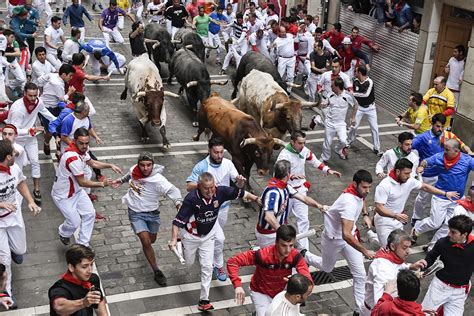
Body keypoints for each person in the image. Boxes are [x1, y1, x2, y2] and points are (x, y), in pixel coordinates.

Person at [169, 172, 260, 311]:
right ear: (199, 186)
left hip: (208, 236)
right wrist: (174, 239)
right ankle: (182, 244)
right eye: (206, 188)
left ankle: (204, 300)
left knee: (207, 267)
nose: (210, 191)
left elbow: (241, 193)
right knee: (189, 264)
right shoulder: (191, 199)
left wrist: (255, 198)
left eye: (212, 187)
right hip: (191, 237)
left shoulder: (220, 192)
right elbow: (177, 221)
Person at [304, 170, 375, 315]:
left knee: (360, 274)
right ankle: (304, 255)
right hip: (334, 239)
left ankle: (358, 310)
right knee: (327, 268)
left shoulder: (358, 192)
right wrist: (365, 251)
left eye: (369, 187)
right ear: (355, 184)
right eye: (364, 187)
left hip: (348, 237)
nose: (367, 191)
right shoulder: (348, 202)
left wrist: (366, 215)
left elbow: (362, 199)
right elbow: (346, 235)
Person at [111, 152, 182, 286]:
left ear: (153, 165)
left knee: (151, 240)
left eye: (149, 165)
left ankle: (147, 247)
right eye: (142, 165)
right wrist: (120, 180)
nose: (145, 168)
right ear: (138, 164)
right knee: (145, 241)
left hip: (152, 213)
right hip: (135, 212)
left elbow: (174, 191)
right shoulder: (134, 170)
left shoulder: (158, 180)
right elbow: (130, 175)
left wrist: (178, 203)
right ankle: (156, 270)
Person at [185, 137, 245, 281]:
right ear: (209, 151)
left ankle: (206, 250)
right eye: (216, 152)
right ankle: (217, 265)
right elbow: (189, 186)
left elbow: (238, 185)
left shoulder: (228, 163)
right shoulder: (201, 166)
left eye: (221, 152)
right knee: (219, 238)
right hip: (206, 208)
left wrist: (240, 182)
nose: (219, 155)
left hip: (223, 207)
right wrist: (206, 186)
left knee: (214, 236)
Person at [52, 128, 122, 246]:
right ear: (75, 141)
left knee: (90, 214)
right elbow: (82, 182)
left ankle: (83, 245)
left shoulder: (82, 151)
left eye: (86, 143)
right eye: (81, 143)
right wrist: (101, 184)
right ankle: (63, 232)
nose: (85, 146)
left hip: (77, 192)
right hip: (64, 196)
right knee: (74, 223)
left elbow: (93, 163)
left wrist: (110, 165)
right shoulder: (72, 158)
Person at [227, 225, 312, 316]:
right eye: (284, 245)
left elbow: (307, 277)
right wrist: (237, 285)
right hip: (260, 292)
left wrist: (300, 281)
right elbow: (233, 262)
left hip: (281, 292)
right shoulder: (263, 255)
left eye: (291, 245)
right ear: (276, 242)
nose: (288, 250)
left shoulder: (295, 256)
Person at [276, 131, 340, 250]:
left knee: (304, 220)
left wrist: (327, 170)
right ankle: (279, 245)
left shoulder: (304, 150)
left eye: (304, 143)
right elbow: (277, 174)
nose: (302, 145)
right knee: (281, 219)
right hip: (286, 191)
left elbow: (314, 161)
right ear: (292, 142)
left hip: (300, 190)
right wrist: (291, 176)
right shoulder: (284, 155)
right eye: (300, 143)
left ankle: (304, 250)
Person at [374, 158, 458, 247]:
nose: (409, 176)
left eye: (410, 173)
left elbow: (425, 187)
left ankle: (375, 237)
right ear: (398, 171)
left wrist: (445, 193)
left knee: (399, 247)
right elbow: (379, 208)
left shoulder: (408, 180)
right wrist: (395, 215)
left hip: (398, 220)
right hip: (383, 222)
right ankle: (375, 237)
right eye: (406, 173)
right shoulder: (384, 185)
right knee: (388, 249)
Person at [411, 113, 473, 225]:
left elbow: (462, 145)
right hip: (428, 175)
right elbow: (409, 147)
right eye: (438, 126)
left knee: (438, 200)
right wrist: (418, 165)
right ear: (432, 124)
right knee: (423, 198)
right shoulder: (423, 137)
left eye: (442, 126)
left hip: (441, 175)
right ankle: (416, 217)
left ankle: (437, 219)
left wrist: (468, 151)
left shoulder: (448, 135)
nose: (440, 129)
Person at [0, 139, 41, 300]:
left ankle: (13, 249)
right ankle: (6, 291)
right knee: (5, 260)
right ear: (8, 157)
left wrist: (30, 201)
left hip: (14, 216)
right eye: (13, 153)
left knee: (19, 251)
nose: (16, 154)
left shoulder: (14, 167)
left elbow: (21, 182)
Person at [412, 139, 474, 245]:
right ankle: (417, 229)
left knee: (449, 226)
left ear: (456, 151)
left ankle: (433, 246)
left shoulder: (467, 160)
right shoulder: (439, 157)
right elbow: (426, 161)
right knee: (435, 223)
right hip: (440, 197)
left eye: (447, 149)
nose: (444, 151)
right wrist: (422, 166)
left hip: (457, 199)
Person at [256, 159, 328, 248]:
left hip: (276, 232)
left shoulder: (286, 187)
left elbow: (304, 198)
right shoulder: (273, 192)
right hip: (268, 236)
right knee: (272, 260)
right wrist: (283, 233)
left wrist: (319, 206)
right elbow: (269, 216)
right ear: (288, 174)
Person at [6, 83, 56, 204]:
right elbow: (14, 130)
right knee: (18, 167)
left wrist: (58, 120)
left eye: (35, 95)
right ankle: (17, 191)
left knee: (35, 162)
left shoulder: (38, 102)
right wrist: (31, 130)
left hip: (31, 138)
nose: (33, 98)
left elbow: (45, 113)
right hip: (17, 140)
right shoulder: (18, 109)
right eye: (30, 96)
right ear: (24, 94)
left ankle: (37, 190)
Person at [361, 229, 426, 315]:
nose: (409, 251)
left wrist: (410, 267)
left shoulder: (392, 256)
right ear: (392, 246)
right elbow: (380, 304)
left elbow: (397, 267)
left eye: (409, 247)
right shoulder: (382, 268)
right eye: (404, 248)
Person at [420, 215, 474, 315]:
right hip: (440, 287)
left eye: (453, 232)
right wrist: (422, 269)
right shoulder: (442, 243)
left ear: (464, 234)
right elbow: (430, 258)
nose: (449, 234)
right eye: (450, 230)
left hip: (460, 292)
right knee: (425, 314)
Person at [48, 244, 107, 315]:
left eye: (91, 264)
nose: (90, 270)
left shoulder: (93, 279)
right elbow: (59, 307)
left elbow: (99, 303)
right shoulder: (60, 288)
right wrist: (83, 303)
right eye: (84, 267)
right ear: (71, 267)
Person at [319, 77, 357, 161]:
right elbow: (326, 103)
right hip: (329, 122)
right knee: (327, 143)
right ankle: (324, 157)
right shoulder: (330, 94)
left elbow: (355, 105)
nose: (331, 87)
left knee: (344, 141)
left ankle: (338, 149)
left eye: (332, 85)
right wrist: (324, 104)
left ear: (337, 86)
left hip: (340, 124)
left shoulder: (347, 96)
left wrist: (353, 117)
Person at [347, 64, 381, 156]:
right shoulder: (355, 81)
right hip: (360, 107)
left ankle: (377, 148)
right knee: (353, 126)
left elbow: (366, 94)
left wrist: (353, 93)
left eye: (356, 71)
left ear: (360, 73)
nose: (355, 72)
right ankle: (348, 142)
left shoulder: (370, 82)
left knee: (375, 128)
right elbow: (354, 98)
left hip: (371, 108)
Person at [271, 26, 296, 93]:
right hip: (282, 59)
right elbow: (275, 53)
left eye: (284, 31)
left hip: (292, 58)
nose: (284, 33)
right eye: (282, 32)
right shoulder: (277, 41)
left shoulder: (290, 35)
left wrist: (299, 32)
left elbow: (297, 39)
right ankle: (278, 90)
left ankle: (288, 91)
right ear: (279, 32)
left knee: (290, 76)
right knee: (280, 76)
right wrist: (275, 48)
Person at [2, 29, 26, 97]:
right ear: (6, 37)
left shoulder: (14, 42)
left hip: (13, 61)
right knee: (5, 83)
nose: (13, 38)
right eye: (11, 37)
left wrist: (5, 53)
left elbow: (18, 53)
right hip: (3, 63)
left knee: (22, 79)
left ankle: (11, 86)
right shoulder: (1, 43)